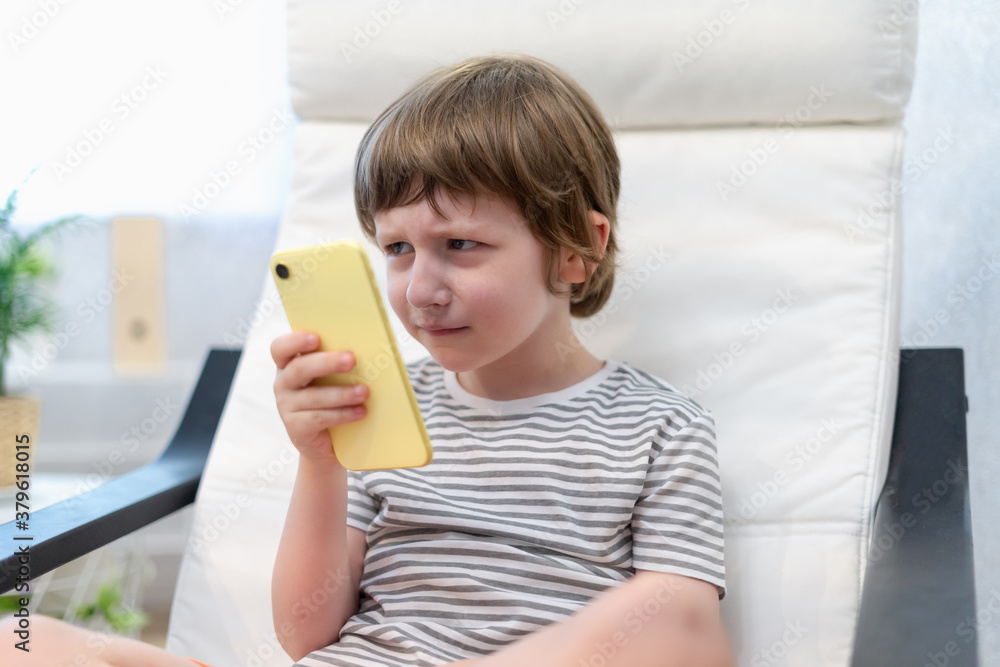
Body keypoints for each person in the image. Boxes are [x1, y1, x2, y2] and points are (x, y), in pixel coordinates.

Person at [0, 53, 732, 667]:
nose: (419, 289)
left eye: (461, 245)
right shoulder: (381, 403)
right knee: (18, 641)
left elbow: (686, 637)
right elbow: (304, 634)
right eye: (398, 249)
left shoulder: (660, 428)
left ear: (577, 249)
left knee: (671, 607)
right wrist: (321, 462)